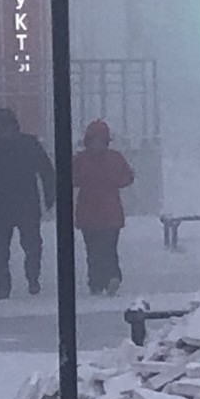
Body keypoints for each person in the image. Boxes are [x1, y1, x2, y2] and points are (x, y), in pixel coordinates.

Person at [0, 108, 56, 300]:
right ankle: (4, 284)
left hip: (20, 204)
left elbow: (46, 172)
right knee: (2, 249)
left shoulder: (2, 148)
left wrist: (50, 195)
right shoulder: (21, 145)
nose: (5, 132)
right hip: (10, 205)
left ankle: (31, 278)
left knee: (30, 245)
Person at [73, 120, 134, 296]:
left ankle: (103, 280)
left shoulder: (81, 159)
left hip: (99, 212)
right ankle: (105, 279)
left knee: (103, 249)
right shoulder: (114, 158)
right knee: (97, 249)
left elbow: (127, 178)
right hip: (102, 211)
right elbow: (128, 177)